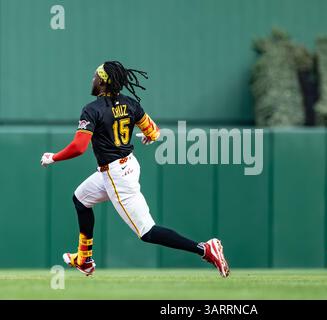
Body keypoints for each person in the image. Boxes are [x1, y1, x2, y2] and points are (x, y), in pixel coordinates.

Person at [40, 61, 230, 278]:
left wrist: (53, 157)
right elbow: (154, 131)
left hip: (116, 174)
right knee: (81, 199)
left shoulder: (92, 109)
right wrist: (149, 136)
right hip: (126, 165)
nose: (92, 79)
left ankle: (205, 249)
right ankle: (84, 258)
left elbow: (79, 147)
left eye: (95, 76)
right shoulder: (130, 103)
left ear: (103, 82)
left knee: (147, 232)